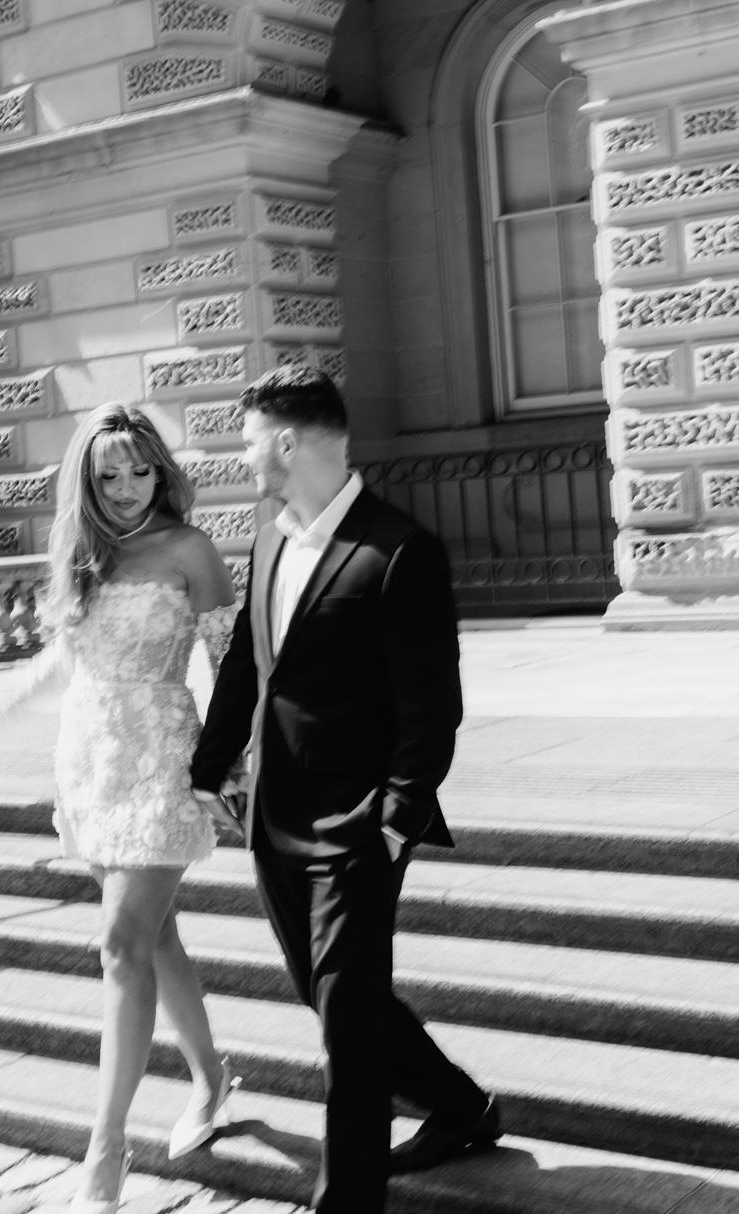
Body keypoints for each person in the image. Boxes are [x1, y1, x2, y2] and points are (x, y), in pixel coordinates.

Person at [189, 365, 500, 1213]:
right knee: (333, 998)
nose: (242, 454)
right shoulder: (269, 540)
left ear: (287, 442)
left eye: (249, 439)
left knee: (349, 1031)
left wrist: (395, 821)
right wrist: (209, 767)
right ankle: (461, 1106)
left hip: (357, 828)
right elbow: (247, 664)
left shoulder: (400, 550)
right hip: (272, 816)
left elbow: (431, 707)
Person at [43, 402, 243, 1212]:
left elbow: (233, 665)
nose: (126, 487)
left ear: (161, 470)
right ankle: (212, 1077)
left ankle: (106, 1147)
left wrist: (230, 767)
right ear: (86, 482)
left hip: (162, 754)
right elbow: (68, 655)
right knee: (156, 938)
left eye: (139, 470)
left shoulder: (190, 548)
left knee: (122, 946)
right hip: (91, 757)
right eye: (108, 475)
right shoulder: (81, 551)